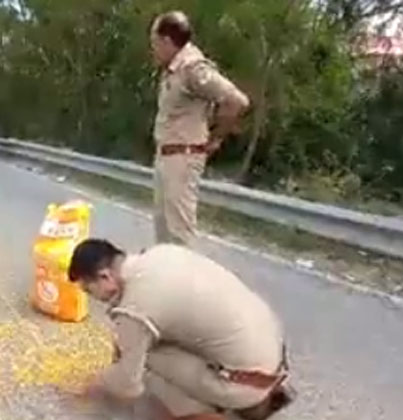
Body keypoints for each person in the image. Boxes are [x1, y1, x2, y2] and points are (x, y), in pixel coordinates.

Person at [68, 239, 294, 420]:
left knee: (144, 358)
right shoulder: (162, 253)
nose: (94, 298)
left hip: (246, 384)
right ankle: (250, 397)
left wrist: (97, 383)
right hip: (275, 360)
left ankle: (212, 411)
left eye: (89, 290)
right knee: (154, 339)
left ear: (105, 277)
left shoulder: (134, 307)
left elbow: (128, 385)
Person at [150, 11, 249, 246]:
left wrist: (216, 138)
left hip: (183, 158)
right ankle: (168, 281)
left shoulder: (193, 68)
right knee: (163, 234)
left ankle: (187, 281)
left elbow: (237, 101)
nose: (152, 49)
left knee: (179, 234)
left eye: (154, 43)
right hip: (166, 156)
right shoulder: (173, 68)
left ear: (166, 41)